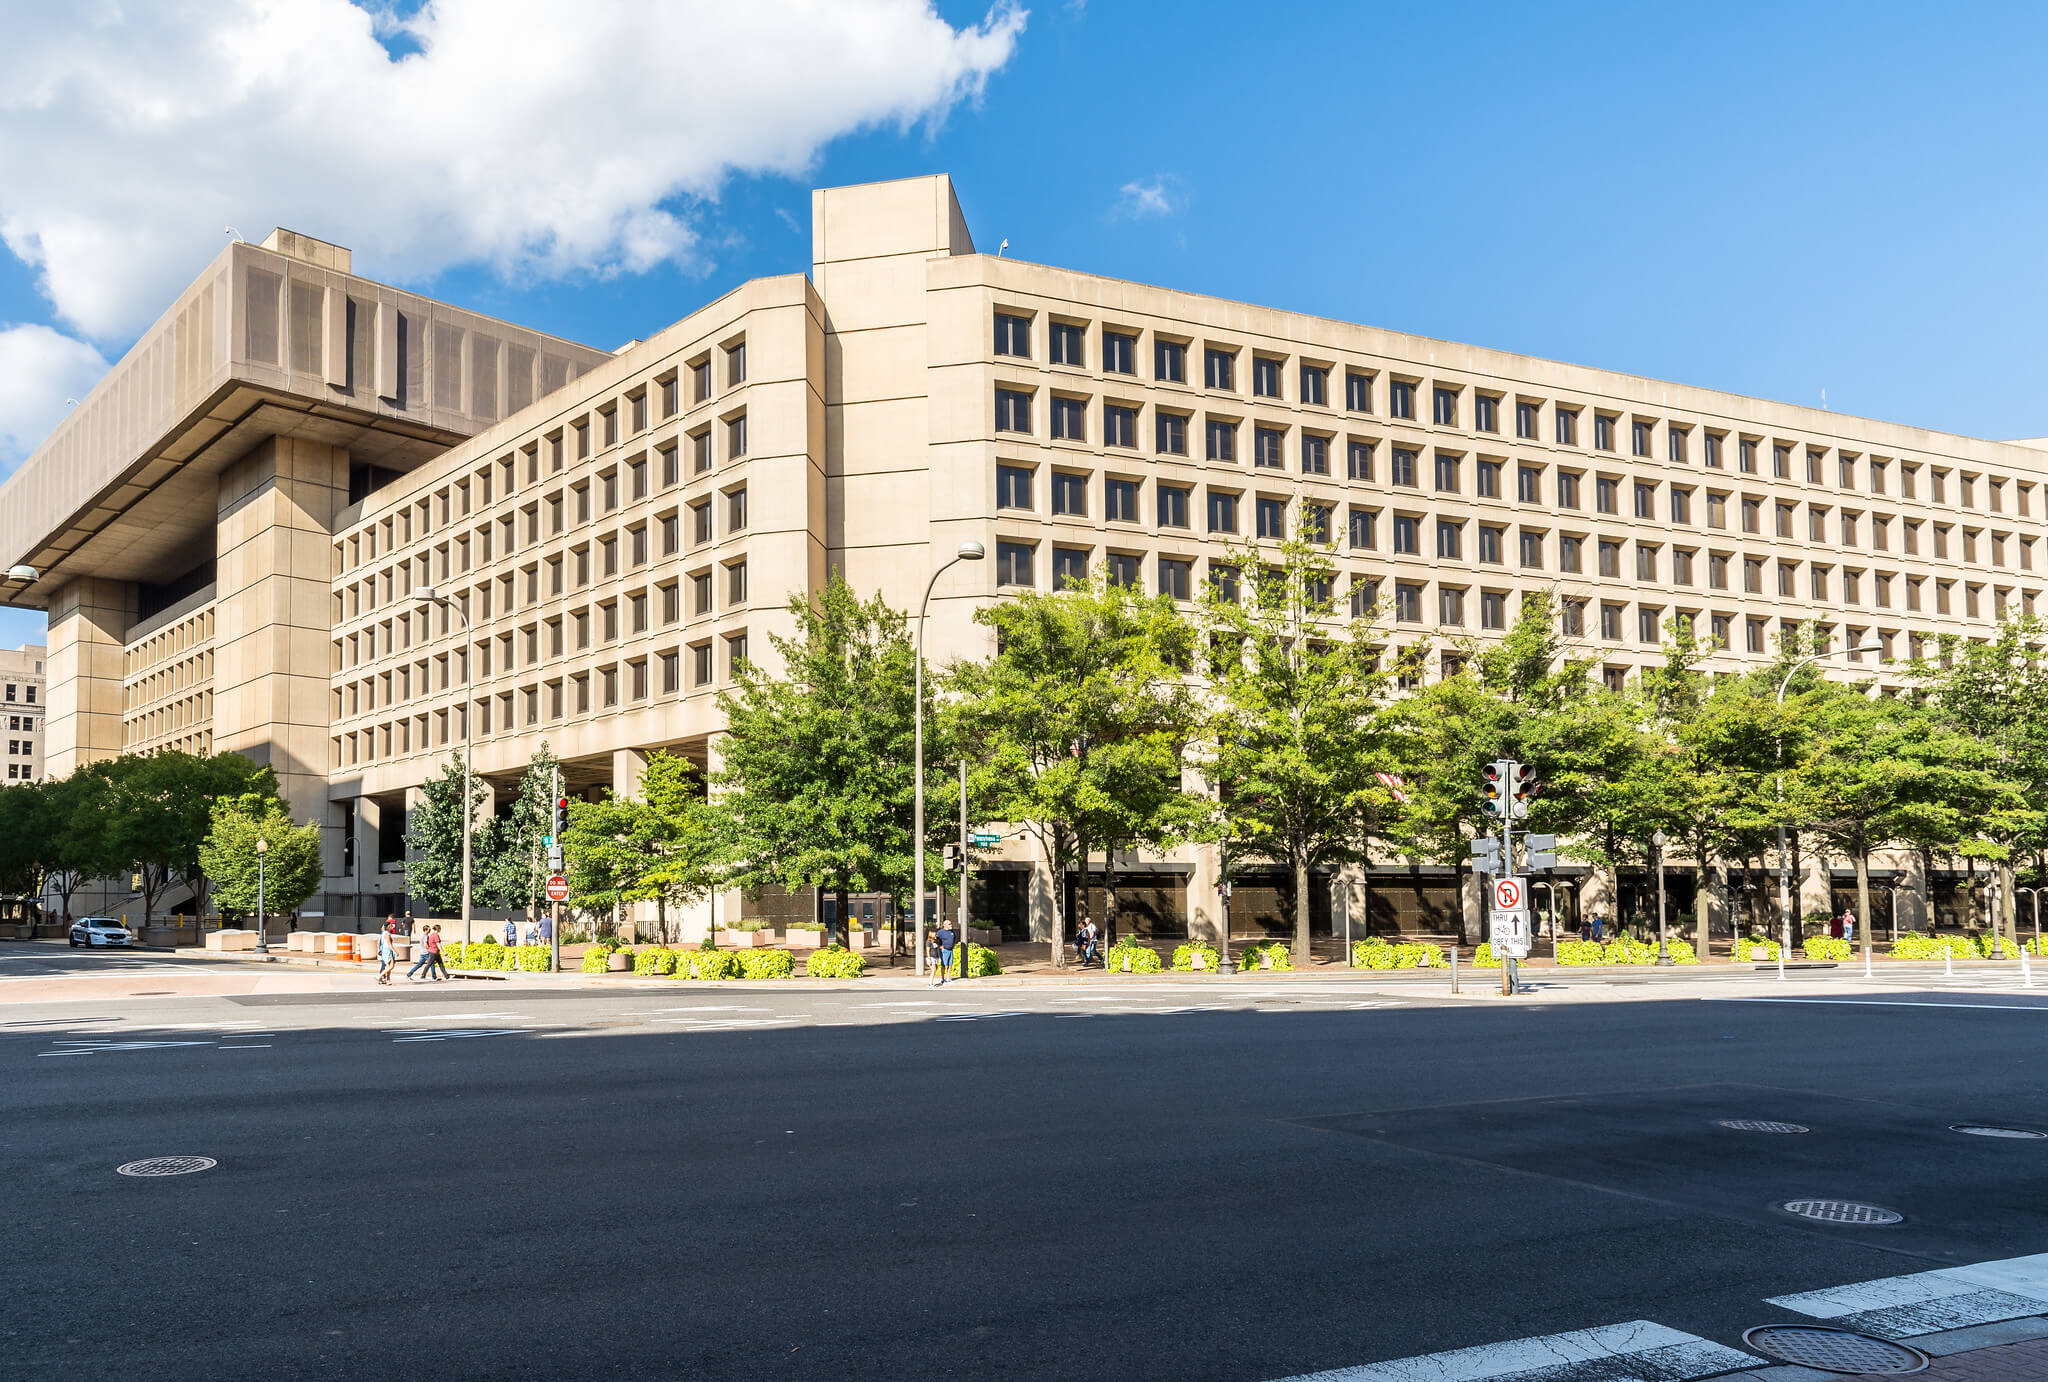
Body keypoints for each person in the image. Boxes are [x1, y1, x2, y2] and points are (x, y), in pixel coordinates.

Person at [403, 916, 433, 981]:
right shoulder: (425, 936)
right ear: (426, 930)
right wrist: (430, 949)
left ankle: (409, 974)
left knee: (419, 965)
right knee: (431, 964)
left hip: (422, 952)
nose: (430, 930)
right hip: (426, 953)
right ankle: (434, 976)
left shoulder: (424, 935)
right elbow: (425, 944)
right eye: (429, 929)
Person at [932, 919, 959, 986]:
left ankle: (948, 978)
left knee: (950, 965)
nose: (951, 925)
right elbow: (935, 940)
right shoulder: (940, 932)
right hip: (944, 951)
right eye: (949, 924)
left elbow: (955, 938)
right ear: (945, 925)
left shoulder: (952, 932)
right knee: (943, 965)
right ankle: (942, 979)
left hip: (950, 950)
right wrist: (940, 946)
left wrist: (953, 945)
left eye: (951, 923)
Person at [376, 921, 398, 985]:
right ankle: (379, 976)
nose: (392, 927)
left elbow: (379, 942)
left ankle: (388, 980)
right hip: (388, 951)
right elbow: (389, 944)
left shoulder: (383, 933)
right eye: (391, 926)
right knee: (391, 966)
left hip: (385, 950)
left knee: (388, 966)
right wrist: (395, 951)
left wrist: (379, 949)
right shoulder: (387, 934)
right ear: (388, 926)